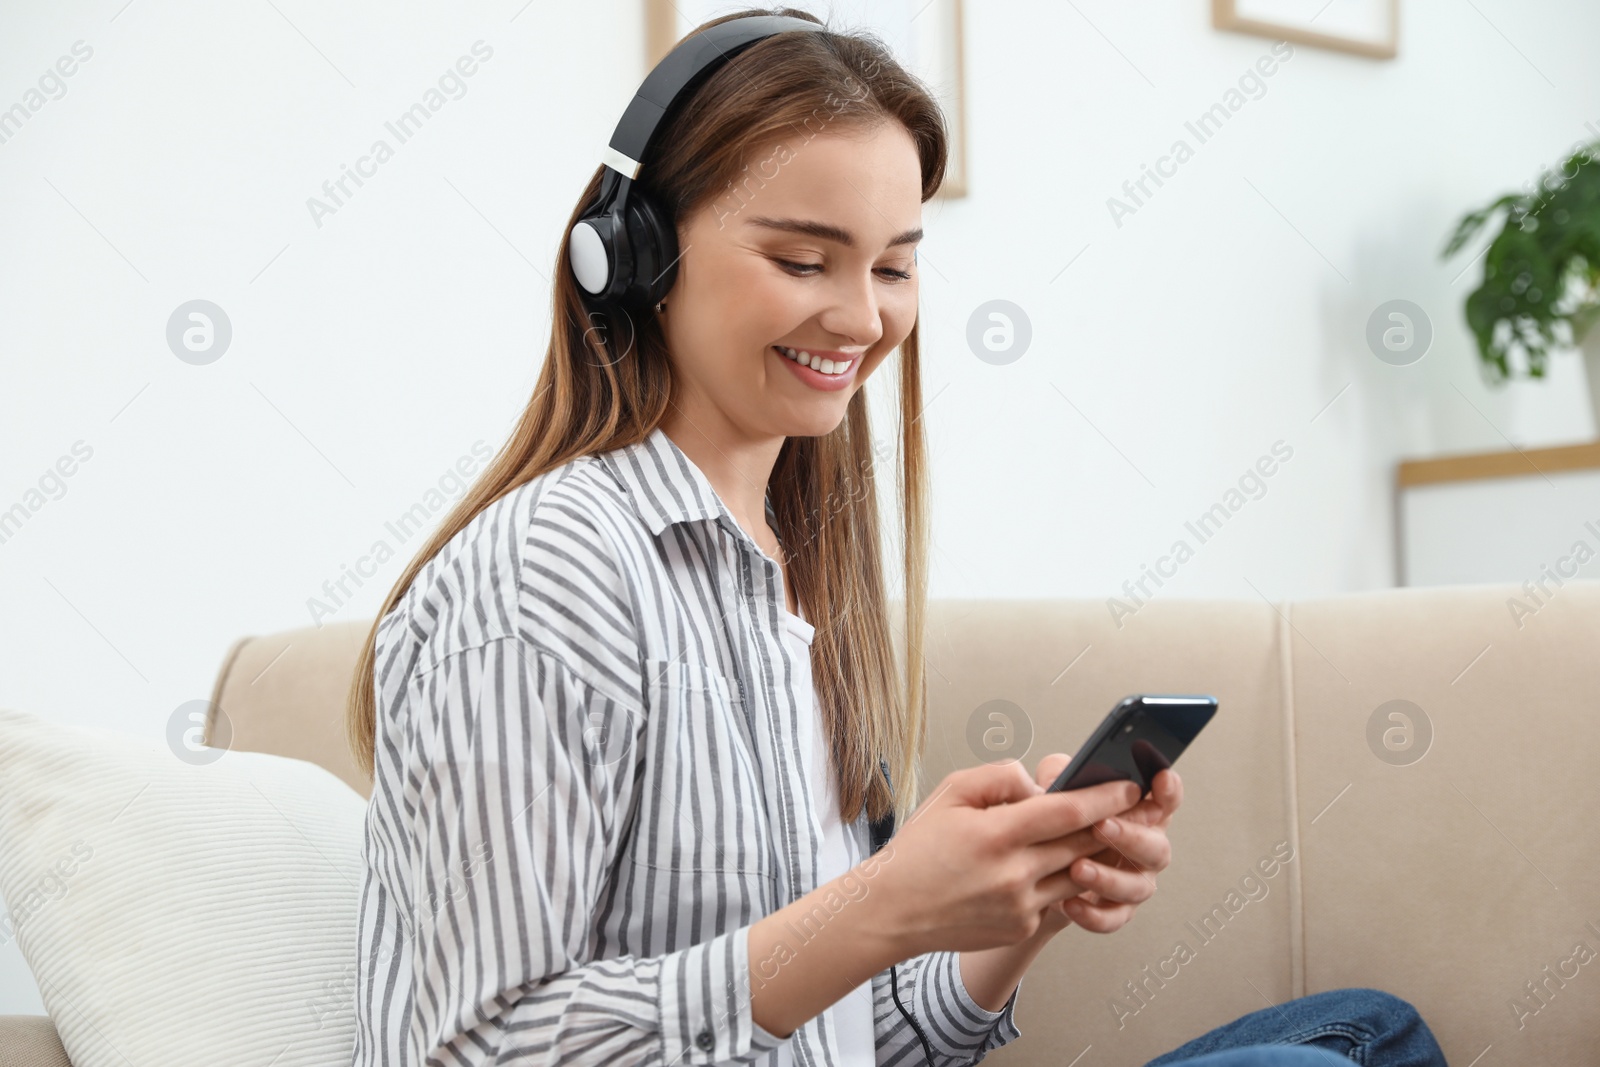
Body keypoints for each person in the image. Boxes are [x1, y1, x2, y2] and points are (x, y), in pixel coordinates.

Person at [341, 9, 1449, 1066]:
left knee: (1364, 1029)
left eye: (892, 264)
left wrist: (1014, 907)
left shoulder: (781, 569)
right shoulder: (548, 569)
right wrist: (880, 906)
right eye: (803, 259)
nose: (864, 319)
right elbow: (474, 1045)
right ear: (633, 256)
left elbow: (842, 1034)